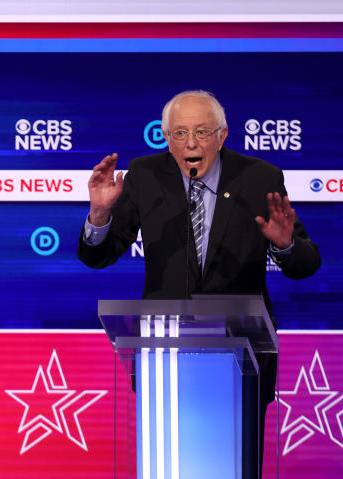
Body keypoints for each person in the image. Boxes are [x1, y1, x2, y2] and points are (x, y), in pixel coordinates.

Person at [78, 90, 320, 477]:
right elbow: (98, 256)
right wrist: (100, 214)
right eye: (179, 133)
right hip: (165, 356)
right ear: (166, 136)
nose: (190, 143)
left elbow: (307, 264)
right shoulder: (145, 176)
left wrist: (286, 244)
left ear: (222, 136)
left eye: (202, 132)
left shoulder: (260, 178)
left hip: (243, 360)